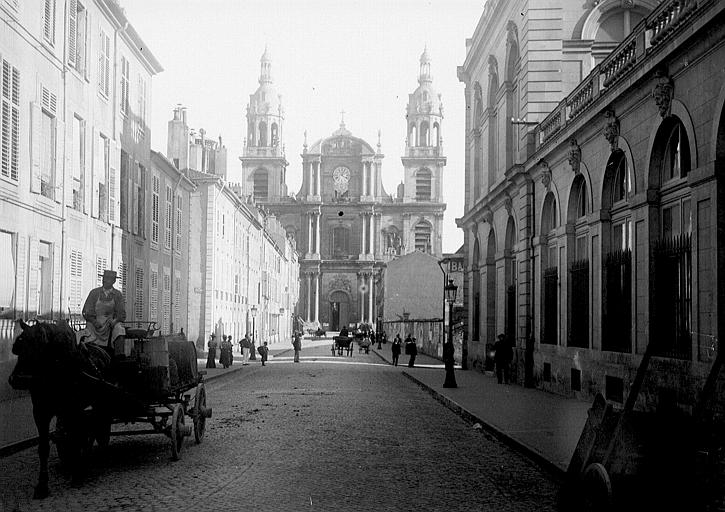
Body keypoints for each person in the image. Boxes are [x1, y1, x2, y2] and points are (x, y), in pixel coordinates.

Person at [82, 269, 127, 355]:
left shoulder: (117, 295)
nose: (105, 280)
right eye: (104, 278)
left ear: (113, 281)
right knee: (88, 329)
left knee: (119, 330)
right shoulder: (94, 293)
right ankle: (88, 354)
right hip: (95, 322)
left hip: (110, 323)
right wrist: (94, 321)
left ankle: (119, 356)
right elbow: (86, 311)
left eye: (108, 278)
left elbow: (121, 314)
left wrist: (114, 321)